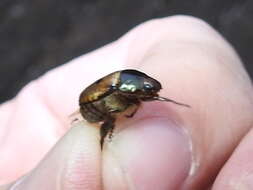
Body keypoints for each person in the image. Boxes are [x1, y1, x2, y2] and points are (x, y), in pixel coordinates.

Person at [0, 15, 253, 190]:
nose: (151, 97)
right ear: (131, 88)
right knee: (113, 120)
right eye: (146, 92)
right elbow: (100, 103)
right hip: (93, 106)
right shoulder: (116, 90)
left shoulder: (130, 88)